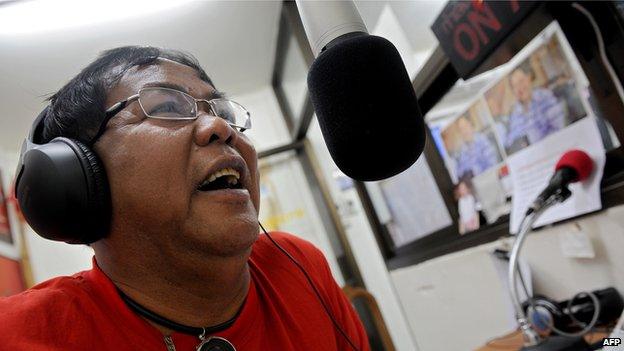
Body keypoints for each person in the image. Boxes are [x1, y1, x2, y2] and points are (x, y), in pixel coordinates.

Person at [0, 47, 369, 351]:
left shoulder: (298, 265)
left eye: (222, 112)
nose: (221, 128)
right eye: (165, 108)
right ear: (77, 179)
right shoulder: (18, 335)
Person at [505, 64, 566, 149]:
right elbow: (510, 141)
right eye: (515, 86)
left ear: (529, 78)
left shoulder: (545, 96)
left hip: (552, 148)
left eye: (521, 81)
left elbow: (558, 127)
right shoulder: (515, 112)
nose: (519, 88)